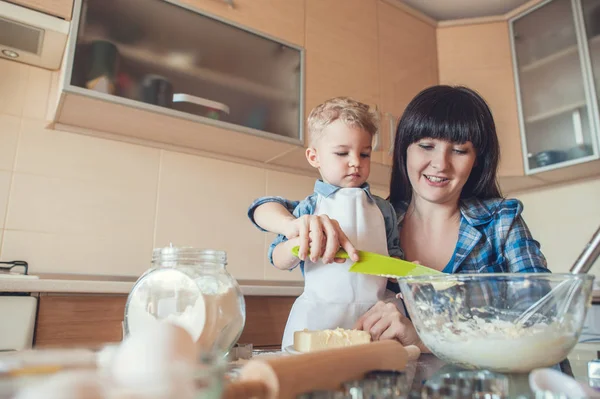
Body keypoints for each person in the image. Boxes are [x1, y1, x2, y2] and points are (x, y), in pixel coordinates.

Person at [248, 85, 550, 352]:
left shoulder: (501, 222)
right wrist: (292, 228)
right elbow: (269, 207)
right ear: (403, 150)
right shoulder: (383, 217)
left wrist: (425, 338)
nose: (440, 164)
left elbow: (544, 320)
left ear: (477, 159)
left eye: (459, 150)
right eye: (426, 146)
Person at [252, 96, 403, 349]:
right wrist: (298, 245)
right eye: (342, 153)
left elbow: (393, 257)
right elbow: (276, 256)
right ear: (314, 157)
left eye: (364, 154)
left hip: (373, 319)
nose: (356, 161)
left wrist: (406, 273)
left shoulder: (384, 209)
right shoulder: (309, 209)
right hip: (318, 319)